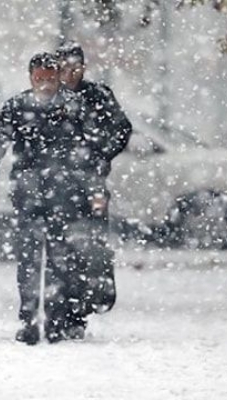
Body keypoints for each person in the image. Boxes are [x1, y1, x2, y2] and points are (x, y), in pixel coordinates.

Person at [0, 52, 88, 345]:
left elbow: (87, 152)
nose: (45, 84)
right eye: (40, 79)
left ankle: (55, 319)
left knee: (60, 259)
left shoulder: (72, 107)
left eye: (50, 78)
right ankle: (30, 319)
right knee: (29, 259)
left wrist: (91, 189)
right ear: (31, 78)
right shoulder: (17, 106)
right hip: (30, 193)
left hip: (63, 194)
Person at [54, 42, 133, 328]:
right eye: (64, 68)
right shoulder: (48, 98)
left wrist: (101, 153)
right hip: (55, 186)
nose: (70, 74)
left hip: (90, 184)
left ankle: (86, 303)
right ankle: (63, 306)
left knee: (92, 247)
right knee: (58, 246)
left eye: (75, 68)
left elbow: (122, 128)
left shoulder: (98, 95)